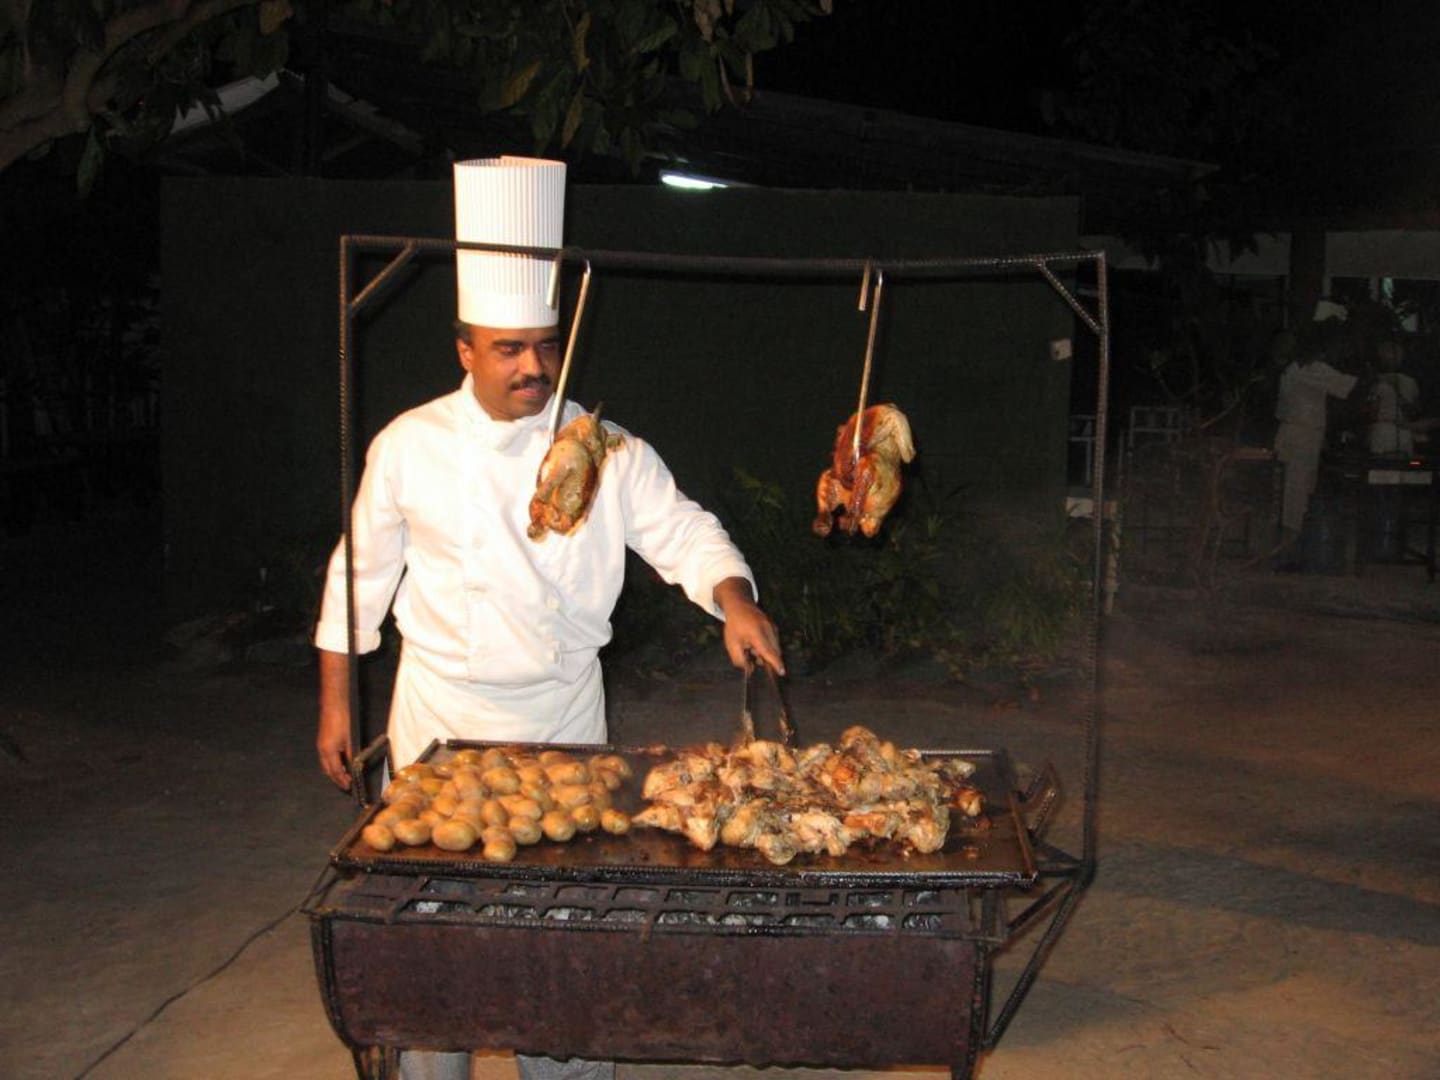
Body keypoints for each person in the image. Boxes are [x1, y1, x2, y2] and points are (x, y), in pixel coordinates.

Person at [312, 156, 783, 1080]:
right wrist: (336, 706)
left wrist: (734, 598)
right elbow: (356, 577)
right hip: (438, 723)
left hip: (564, 719)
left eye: (545, 345)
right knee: (438, 944)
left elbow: (682, 530)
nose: (533, 366)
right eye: (508, 349)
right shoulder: (409, 446)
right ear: (464, 350)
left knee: (562, 943)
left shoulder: (603, 447)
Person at [1272, 328, 1358, 549]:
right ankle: (1291, 539)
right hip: (1303, 435)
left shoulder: (1290, 370)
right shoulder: (1312, 369)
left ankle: (1289, 537)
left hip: (1295, 433)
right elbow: (1346, 387)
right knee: (1297, 488)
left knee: (1293, 487)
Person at [1365, 337, 1421, 457]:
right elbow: (1415, 410)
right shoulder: (1411, 382)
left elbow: (1372, 412)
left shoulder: (1377, 382)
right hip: (1405, 431)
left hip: (1382, 431)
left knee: (1380, 466)